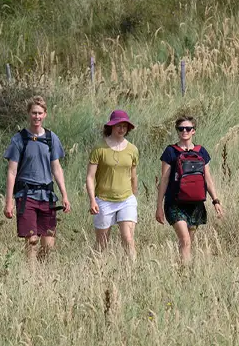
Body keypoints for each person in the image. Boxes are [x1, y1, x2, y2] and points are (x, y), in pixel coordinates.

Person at [3, 96, 71, 267]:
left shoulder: (51, 138)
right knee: (32, 240)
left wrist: (64, 195)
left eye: (40, 113)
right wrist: (9, 201)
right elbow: (12, 171)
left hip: (47, 196)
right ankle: (32, 277)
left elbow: (56, 168)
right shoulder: (19, 139)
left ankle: (42, 272)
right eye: (34, 113)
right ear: (28, 114)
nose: (37, 117)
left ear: (45, 114)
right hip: (26, 196)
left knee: (48, 244)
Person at [155, 115, 223, 265]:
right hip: (174, 203)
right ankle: (185, 271)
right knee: (184, 239)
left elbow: (208, 179)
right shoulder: (170, 151)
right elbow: (164, 180)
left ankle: (181, 270)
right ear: (177, 131)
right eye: (181, 129)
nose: (184, 131)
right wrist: (159, 206)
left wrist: (215, 201)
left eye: (188, 128)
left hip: (195, 203)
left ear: (194, 131)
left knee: (188, 243)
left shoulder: (201, 152)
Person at [87, 109, 140, 261]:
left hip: (126, 199)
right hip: (104, 200)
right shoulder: (99, 148)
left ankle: (132, 272)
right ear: (111, 126)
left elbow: (133, 176)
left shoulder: (132, 149)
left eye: (124, 126)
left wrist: (134, 199)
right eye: (118, 125)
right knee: (102, 243)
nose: (121, 129)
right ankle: (96, 271)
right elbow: (90, 177)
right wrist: (92, 200)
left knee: (128, 238)